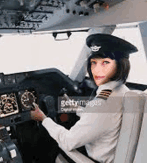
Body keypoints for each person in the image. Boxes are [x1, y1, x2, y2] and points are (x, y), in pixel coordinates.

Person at [30, 33, 138, 163]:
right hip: (117, 155)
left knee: (51, 148)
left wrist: (43, 119)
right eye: (94, 62)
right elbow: (100, 118)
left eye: (105, 63)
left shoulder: (102, 104)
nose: (97, 70)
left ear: (121, 66)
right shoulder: (121, 91)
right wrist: (75, 108)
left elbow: (68, 141)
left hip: (96, 159)